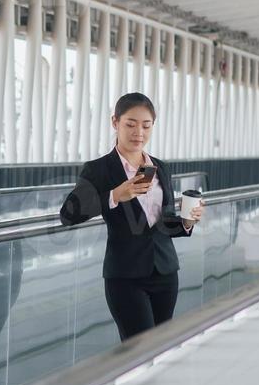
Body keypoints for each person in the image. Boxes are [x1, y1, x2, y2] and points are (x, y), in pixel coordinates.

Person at [59, 93, 204, 341]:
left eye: (146, 126)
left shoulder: (160, 167)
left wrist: (187, 223)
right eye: (130, 124)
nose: (139, 132)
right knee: (139, 349)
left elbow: (161, 222)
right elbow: (68, 215)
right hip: (126, 277)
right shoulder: (99, 169)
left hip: (165, 272)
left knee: (161, 347)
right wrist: (114, 195)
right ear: (115, 122)